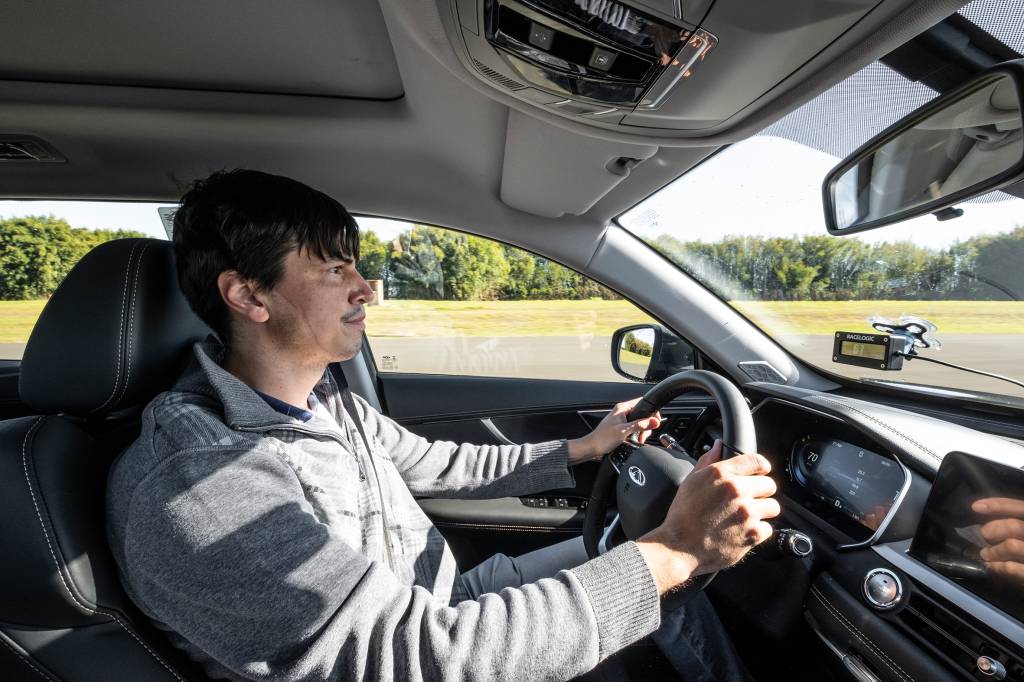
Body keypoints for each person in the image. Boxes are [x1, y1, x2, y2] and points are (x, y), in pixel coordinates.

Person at [106, 169, 780, 681]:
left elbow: (434, 462)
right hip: (429, 643)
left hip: (443, 601)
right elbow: (423, 656)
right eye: (335, 268)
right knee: (659, 571)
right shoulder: (201, 483)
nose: (365, 288)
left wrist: (587, 446)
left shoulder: (324, 403)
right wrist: (679, 546)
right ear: (247, 295)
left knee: (662, 585)